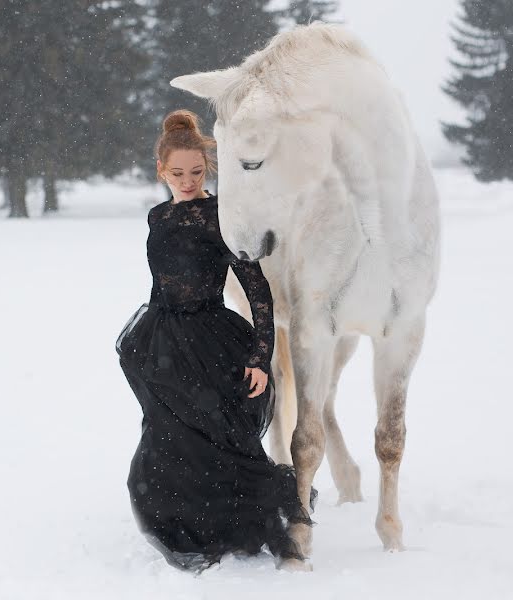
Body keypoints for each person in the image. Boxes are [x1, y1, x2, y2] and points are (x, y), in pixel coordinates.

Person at [116, 109, 316, 572]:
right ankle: (192, 526)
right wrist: (148, 346)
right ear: (161, 171)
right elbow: (159, 284)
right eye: (178, 173)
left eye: (197, 172)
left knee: (225, 438)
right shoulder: (157, 217)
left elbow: (257, 290)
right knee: (170, 441)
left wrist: (260, 356)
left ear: (208, 167)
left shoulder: (220, 215)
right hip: (163, 341)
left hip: (212, 340)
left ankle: (267, 534)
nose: (188, 181)